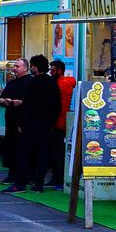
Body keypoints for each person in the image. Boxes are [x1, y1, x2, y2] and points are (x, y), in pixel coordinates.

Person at [21, 55, 62, 191]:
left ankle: (28, 179)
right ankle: (39, 182)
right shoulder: (52, 82)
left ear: (36, 67)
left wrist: (23, 122)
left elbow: (27, 104)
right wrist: (52, 121)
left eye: (32, 65)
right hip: (47, 124)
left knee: (28, 152)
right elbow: (57, 104)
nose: (31, 68)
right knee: (43, 153)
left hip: (32, 123)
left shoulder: (32, 83)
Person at [0, 59, 33, 191]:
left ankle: (25, 176)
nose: (14, 68)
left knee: (22, 148)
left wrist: (20, 103)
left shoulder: (30, 82)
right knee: (10, 146)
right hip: (10, 119)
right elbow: (1, 97)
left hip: (23, 120)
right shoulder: (11, 83)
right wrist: (4, 101)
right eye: (14, 66)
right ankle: (11, 174)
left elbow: (32, 102)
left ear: (25, 68)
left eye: (17, 66)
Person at [48, 59, 76, 190]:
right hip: (60, 120)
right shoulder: (64, 82)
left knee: (58, 153)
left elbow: (54, 103)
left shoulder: (61, 84)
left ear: (59, 70)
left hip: (58, 121)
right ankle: (56, 178)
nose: (50, 72)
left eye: (53, 70)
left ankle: (59, 179)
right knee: (56, 152)